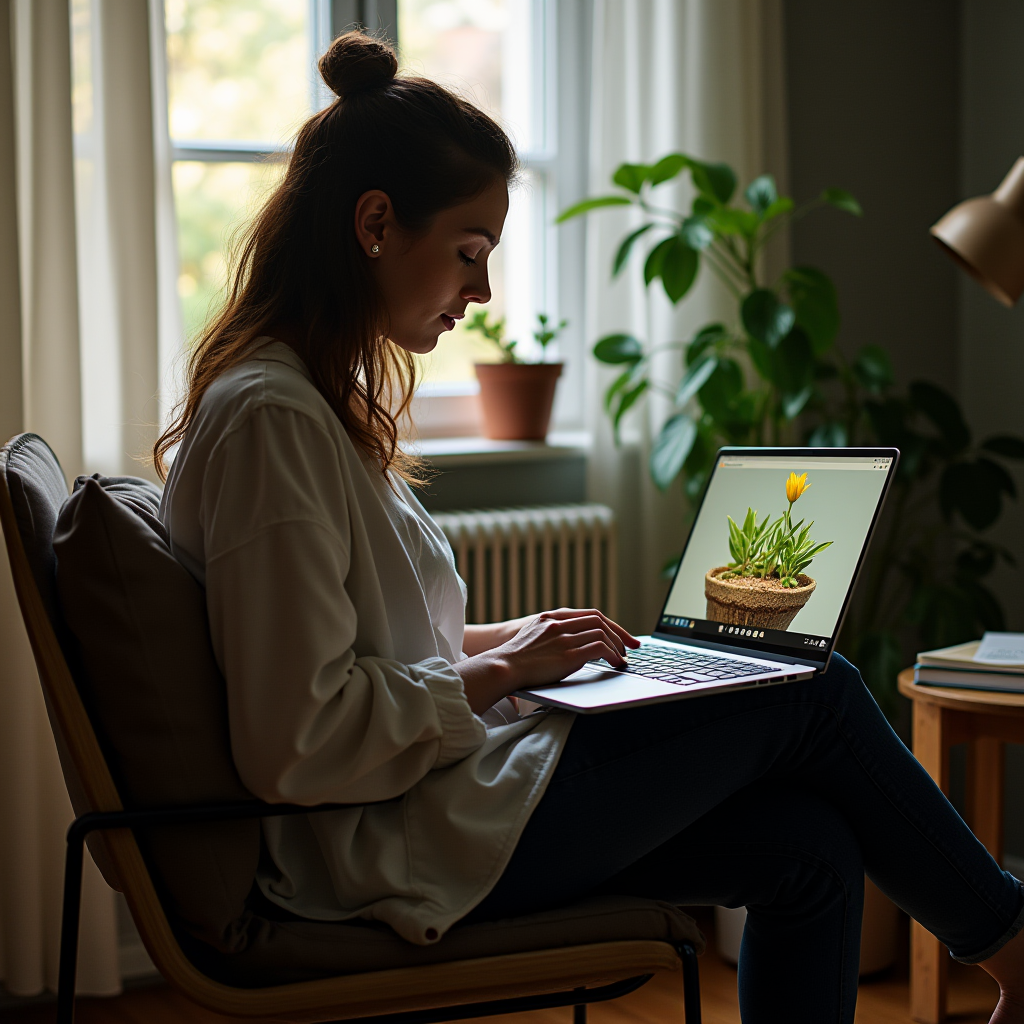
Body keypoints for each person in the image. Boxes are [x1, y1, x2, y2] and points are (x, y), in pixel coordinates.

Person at [156, 30, 1024, 1024]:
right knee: (812, 691)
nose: (479, 291)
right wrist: (500, 671)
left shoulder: (306, 403)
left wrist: (519, 642)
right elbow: (296, 742)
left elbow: (358, 644)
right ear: (375, 223)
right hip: (388, 847)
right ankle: (1015, 949)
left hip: (432, 803)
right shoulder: (272, 418)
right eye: (470, 252)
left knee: (811, 848)